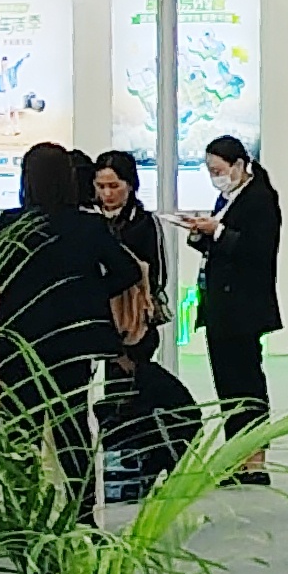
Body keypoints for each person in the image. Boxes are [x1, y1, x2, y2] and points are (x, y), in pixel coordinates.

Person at [0, 141, 133, 517]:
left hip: (19, 341)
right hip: (72, 342)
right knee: (73, 428)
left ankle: (20, 515)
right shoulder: (88, 225)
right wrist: (90, 294)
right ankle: (84, 513)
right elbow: (127, 270)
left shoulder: (9, 226)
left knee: (20, 430)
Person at [89, 148, 197, 500]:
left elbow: (158, 272)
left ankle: (144, 461)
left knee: (134, 392)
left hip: (136, 323)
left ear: (130, 185)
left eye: (114, 186)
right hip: (100, 319)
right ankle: (125, 466)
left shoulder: (144, 223)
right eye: (101, 186)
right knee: (114, 396)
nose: (107, 194)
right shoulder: (90, 220)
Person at [178, 132, 282, 482]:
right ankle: (235, 456)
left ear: (239, 165)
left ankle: (255, 459)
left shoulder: (260, 198)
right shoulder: (227, 197)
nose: (215, 177)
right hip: (220, 303)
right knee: (226, 384)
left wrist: (218, 230)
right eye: (210, 171)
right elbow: (218, 245)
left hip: (244, 304)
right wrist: (199, 231)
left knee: (246, 381)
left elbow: (257, 249)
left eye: (219, 170)